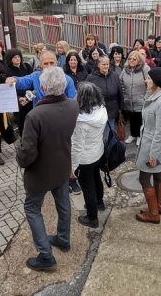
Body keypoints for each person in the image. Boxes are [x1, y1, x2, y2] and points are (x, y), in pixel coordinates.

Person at [17, 67, 79, 271]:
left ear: (42, 87)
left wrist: (20, 158)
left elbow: (27, 153)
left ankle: (45, 255)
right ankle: (63, 238)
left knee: (32, 208)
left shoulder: (35, 115)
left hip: (40, 173)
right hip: (62, 167)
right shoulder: (72, 105)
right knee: (63, 204)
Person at [135, 67, 161, 224]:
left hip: (153, 147)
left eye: (149, 79)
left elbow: (160, 132)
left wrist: (153, 155)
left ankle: (153, 213)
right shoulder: (156, 96)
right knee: (157, 174)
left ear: (156, 82)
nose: (146, 80)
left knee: (144, 179)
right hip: (150, 144)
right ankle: (158, 205)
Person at [71, 82, 108, 228]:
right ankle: (100, 203)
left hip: (85, 158)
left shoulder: (80, 121)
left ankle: (92, 218)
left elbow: (77, 146)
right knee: (96, 178)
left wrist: (72, 167)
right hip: (98, 152)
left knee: (87, 187)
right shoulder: (101, 110)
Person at [5, 51, 77, 106]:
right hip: (40, 116)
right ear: (40, 65)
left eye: (51, 63)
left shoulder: (67, 79)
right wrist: (14, 79)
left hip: (60, 115)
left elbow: (72, 101)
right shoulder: (35, 76)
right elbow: (23, 81)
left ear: (56, 63)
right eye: (45, 63)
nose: (49, 66)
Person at [120, 50, 150, 145]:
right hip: (128, 100)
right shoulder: (125, 69)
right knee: (132, 119)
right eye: (130, 59)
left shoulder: (145, 68)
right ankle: (133, 134)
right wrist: (124, 95)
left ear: (139, 60)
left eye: (134, 59)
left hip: (141, 100)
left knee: (140, 120)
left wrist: (145, 98)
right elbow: (120, 82)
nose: (131, 61)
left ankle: (140, 136)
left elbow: (150, 84)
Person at [3, 48, 34, 136]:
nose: (17, 59)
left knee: (32, 118)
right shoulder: (8, 71)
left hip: (31, 96)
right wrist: (24, 93)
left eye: (18, 56)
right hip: (18, 98)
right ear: (10, 59)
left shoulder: (27, 66)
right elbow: (11, 88)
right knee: (21, 120)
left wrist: (30, 92)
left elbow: (32, 80)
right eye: (15, 57)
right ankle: (23, 139)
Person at [86, 56, 122, 128]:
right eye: (103, 64)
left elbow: (119, 93)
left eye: (107, 64)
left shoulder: (114, 76)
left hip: (111, 110)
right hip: (97, 111)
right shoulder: (91, 77)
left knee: (109, 132)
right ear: (98, 65)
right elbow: (87, 94)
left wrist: (121, 108)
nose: (106, 66)